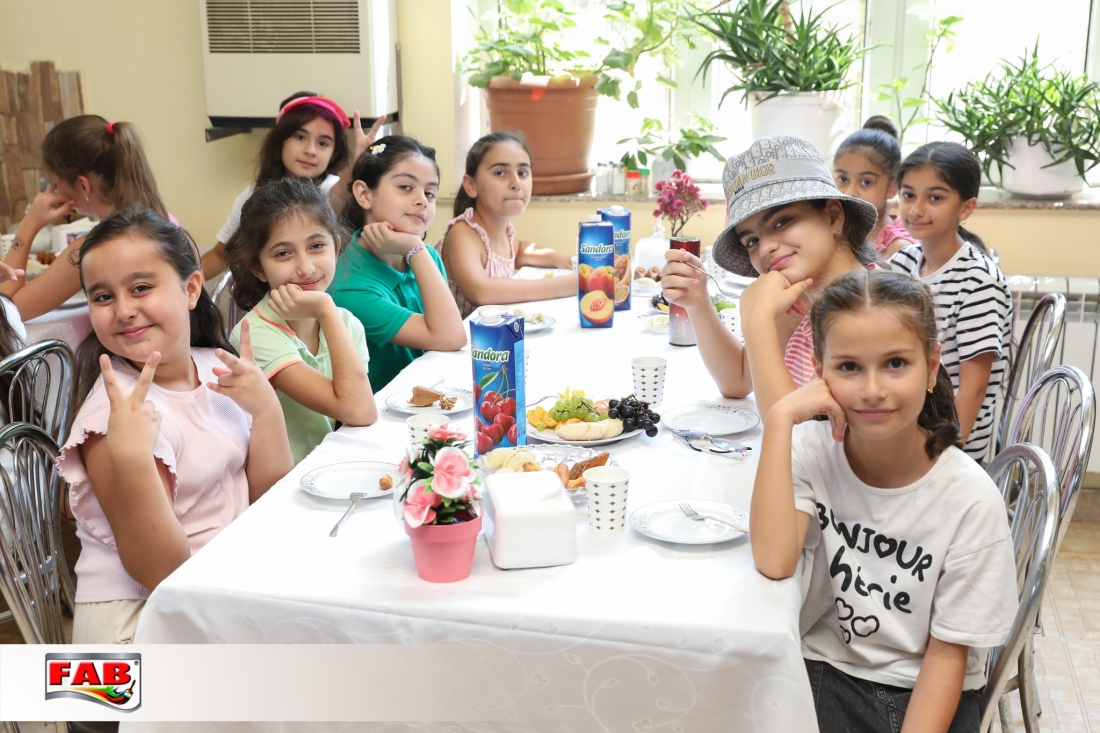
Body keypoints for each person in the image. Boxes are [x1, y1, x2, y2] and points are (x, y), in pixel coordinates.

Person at [751, 268, 1017, 732]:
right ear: (819, 370)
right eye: (849, 367)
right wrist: (780, 420)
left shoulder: (970, 501)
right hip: (828, 668)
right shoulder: (812, 450)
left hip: (928, 686)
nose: (872, 390)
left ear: (932, 366)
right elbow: (775, 561)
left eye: (896, 363)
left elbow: (947, 656)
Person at [56, 206, 293, 644]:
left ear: (191, 289)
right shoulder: (114, 419)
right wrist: (132, 460)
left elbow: (268, 501)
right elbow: (161, 572)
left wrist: (266, 411)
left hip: (213, 592)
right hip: (137, 627)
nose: (123, 310)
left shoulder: (212, 366)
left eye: (141, 287)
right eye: (102, 297)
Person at [661, 135, 881, 419]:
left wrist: (757, 321)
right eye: (751, 241)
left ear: (832, 215)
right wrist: (698, 303)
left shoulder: (871, 312)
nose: (764, 248)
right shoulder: (797, 298)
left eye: (781, 222)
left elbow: (796, 436)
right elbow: (739, 380)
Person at [224, 178, 377, 463]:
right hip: (282, 479)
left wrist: (327, 313)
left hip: (328, 463)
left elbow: (356, 414)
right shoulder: (254, 335)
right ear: (258, 268)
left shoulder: (346, 323)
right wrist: (325, 309)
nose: (305, 268)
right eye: (283, 253)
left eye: (317, 245)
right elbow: (359, 409)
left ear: (336, 247)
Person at [888, 142, 1011, 462]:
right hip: (907, 426)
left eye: (935, 198)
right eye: (908, 194)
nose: (916, 209)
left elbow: (973, 390)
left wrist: (942, 456)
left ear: (966, 208)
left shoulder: (979, 281)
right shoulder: (901, 263)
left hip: (948, 445)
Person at [1, 115, 174, 321]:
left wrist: (30, 223)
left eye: (56, 182)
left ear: (84, 186)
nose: (54, 190)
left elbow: (7, 311)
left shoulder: (93, 249)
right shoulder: (166, 220)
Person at [329, 136, 465, 391]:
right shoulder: (347, 285)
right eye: (405, 187)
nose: (422, 200)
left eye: (430, 193)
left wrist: (417, 251)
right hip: (385, 410)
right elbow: (450, 337)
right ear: (364, 194)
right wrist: (416, 249)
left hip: (436, 393)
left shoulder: (424, 256)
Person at [201, 91, 386, 279]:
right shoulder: (252, 195)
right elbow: (220, 254)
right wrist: (187, 280)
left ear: (334, 155)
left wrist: (357, 166)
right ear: (280, 141)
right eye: (300, 137)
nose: (310, 150)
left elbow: (338, 192)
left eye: (323, 143)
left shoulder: (327, 188)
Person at [437, 132, 576, 316]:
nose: (516, 183)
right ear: (471, 185)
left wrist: (572, 261)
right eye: (500, 173)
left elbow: (520, 250)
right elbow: (480, 291)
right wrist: (564, 285)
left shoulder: (504, 234)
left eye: (522, 173)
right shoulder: (462, 233)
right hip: (457, 335)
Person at [833, 116, 918, 258]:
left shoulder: (899, 248)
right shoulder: (838, 228)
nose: (850, 192)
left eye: (866, 182)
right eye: (843, 179)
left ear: (892, 187)